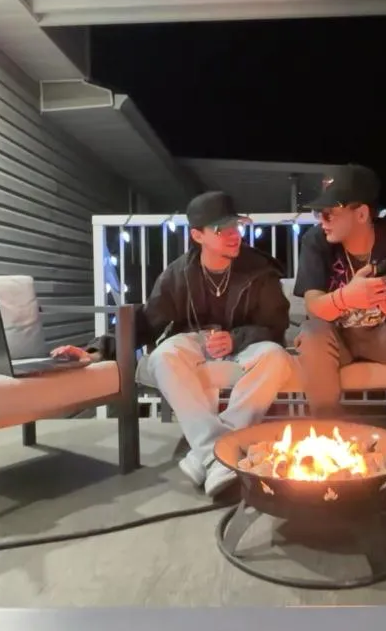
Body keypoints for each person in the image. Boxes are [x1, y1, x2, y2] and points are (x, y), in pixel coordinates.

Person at [54, 191, 294, 498]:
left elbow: (276, 325)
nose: (234, 235)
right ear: (197, 235)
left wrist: (236, 338)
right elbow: (146, 321)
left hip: (247, 342)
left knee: (276, 357)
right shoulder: (178, 274)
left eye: (236, 226)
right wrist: (96, 350)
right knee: (163, 355)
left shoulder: (260, 270)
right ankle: (219, 452)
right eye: (221, 229)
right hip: (195, 340)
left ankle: (206, 455)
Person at [292, 164, 386, 437]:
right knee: (312, 333)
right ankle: (327, 435)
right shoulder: (315, 241)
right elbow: (314, 306)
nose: (322, 221)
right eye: (318, 213)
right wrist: (346, 297)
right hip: (337, 339)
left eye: (328, 213)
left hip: (384, 336)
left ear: (361, 213)